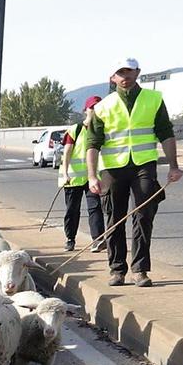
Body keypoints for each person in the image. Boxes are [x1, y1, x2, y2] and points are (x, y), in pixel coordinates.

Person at [84, 58, 183, 288]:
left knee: (143, 215)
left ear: (137, 72)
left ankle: (140, 269)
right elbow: (93, 143)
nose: (125, 76)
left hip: (143, 165)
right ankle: (117, 269)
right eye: (120, 72)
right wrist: (92, 176)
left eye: (129, 71)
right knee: (114, 219)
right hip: (113, 169)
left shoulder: (154, 99)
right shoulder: (102, 107)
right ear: (113, 78)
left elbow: (166, 133)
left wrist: (173, 165)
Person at [59, 96, 106, 253]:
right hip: (74, 178)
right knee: (72, 209)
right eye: (92, 107)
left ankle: (98, 240)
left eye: (98, 107)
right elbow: (66, 153)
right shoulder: (75, 130)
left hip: (93, 178)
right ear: (86, 110)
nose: (95, 110)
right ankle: (70, 239)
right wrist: (65, 174)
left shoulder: (103, 129)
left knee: (95, 207)